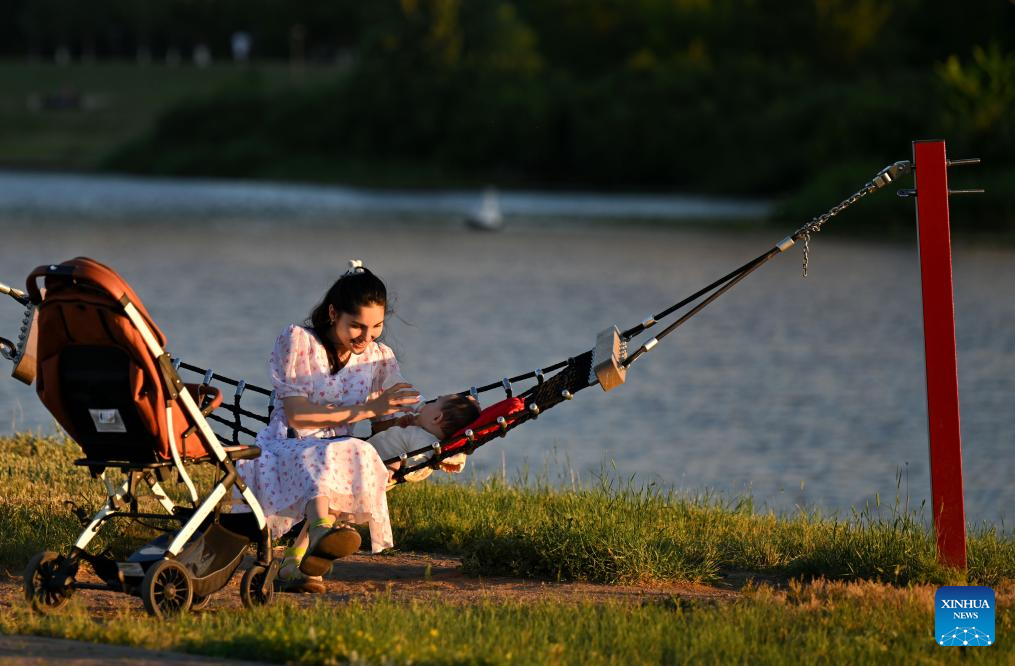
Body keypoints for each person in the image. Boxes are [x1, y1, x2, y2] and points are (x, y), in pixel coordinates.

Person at [236, 261, 420, 593]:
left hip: (336, 453)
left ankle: (297, 564)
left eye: (376, 326)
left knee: (355, 454)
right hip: (286, 447)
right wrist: (366, 409)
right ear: (334, 313)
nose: (366, 337)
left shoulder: (378, 358)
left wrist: (436, 427)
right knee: (344, 453)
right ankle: (321, 531)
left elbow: (395, 414)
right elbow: (298, 416)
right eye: (357, 326)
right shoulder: (299, 343)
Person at [370, 394, 480, 484]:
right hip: (365, 454)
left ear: (436, 418)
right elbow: (395, 442)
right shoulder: (420, 432)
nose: (427, 403)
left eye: (434, 403)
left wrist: (394, 467)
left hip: (370, 466)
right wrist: (399, 426)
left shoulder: (426, 442)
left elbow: (415, 468)